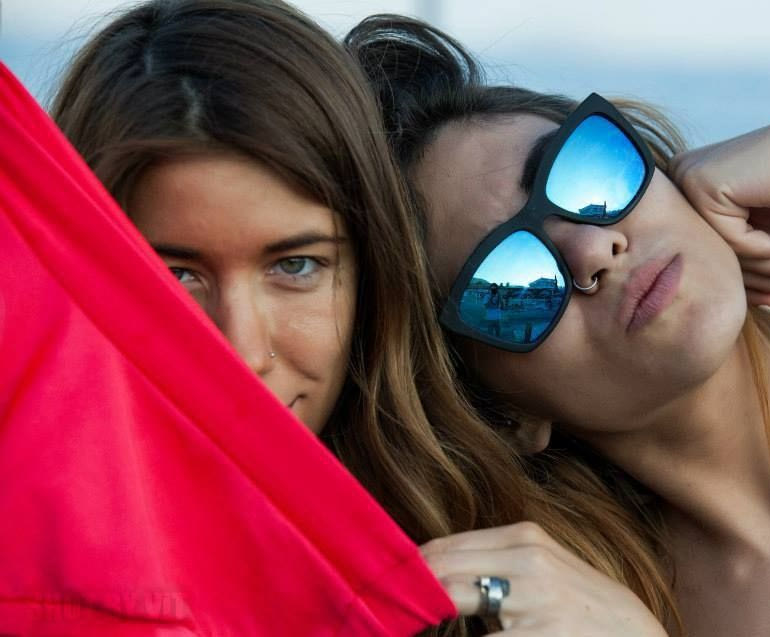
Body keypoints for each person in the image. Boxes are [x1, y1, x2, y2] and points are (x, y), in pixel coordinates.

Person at [47, 1, 674, 635]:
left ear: (375, 280)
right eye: (175, 277)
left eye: (296, 266)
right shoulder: (28, 561)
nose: (242, 352)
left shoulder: (531, 559)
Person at [345, 2, 770, 634]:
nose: (593, 248)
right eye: (508, 276)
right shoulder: (573, 617)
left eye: (585, 170)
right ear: (501, 411)